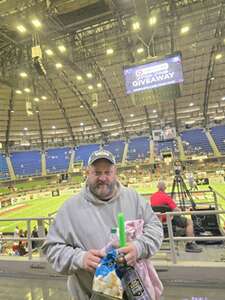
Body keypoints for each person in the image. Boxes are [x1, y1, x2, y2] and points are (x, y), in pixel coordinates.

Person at [42, 149, 163, 300]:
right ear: (88, 173)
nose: (103, 178)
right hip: (91, 295)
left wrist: (139, 247)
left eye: (107, 172)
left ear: (115, 172)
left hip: (138, 293)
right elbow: (51, 248)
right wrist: (79, 258)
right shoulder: (69, 209)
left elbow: (156, 228)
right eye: (97, 173)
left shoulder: (134, 198)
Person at [150, 180, 202, 253]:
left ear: (157, 187)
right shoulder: (167, 197)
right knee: (189, 222)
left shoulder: (152, 197)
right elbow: (177, 211)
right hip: (168, 219)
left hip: (158, 219)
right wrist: (180, 211)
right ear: (165, 188)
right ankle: (190, 244)